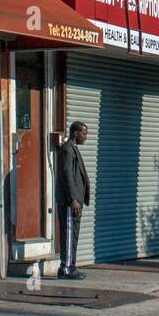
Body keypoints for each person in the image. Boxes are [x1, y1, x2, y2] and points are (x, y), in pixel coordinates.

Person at [56, 120, 90, 280]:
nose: (86, 137)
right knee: (69, 234)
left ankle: (70, 265)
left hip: (75, 202)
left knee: (73, 234)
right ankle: (67, 268)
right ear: (75, 133)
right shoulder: (67, 150)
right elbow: (67, 175)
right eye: (84, 133)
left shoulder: (72, 149)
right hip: (70, 203)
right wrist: (73, 199)